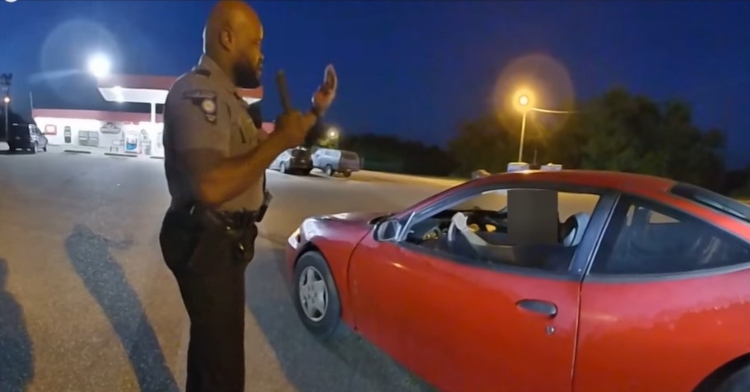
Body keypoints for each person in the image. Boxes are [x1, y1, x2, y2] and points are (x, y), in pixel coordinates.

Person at [158, 1, 337, 391]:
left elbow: (278, 138)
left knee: (213, 354)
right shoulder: (197, 93)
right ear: (227, 38)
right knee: (222, 371)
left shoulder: (229, 99)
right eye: (256, 43)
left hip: (225, 242)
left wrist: (314, 111)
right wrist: (277, 144)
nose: (262, 54)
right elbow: (209, 186)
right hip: (205, 242)